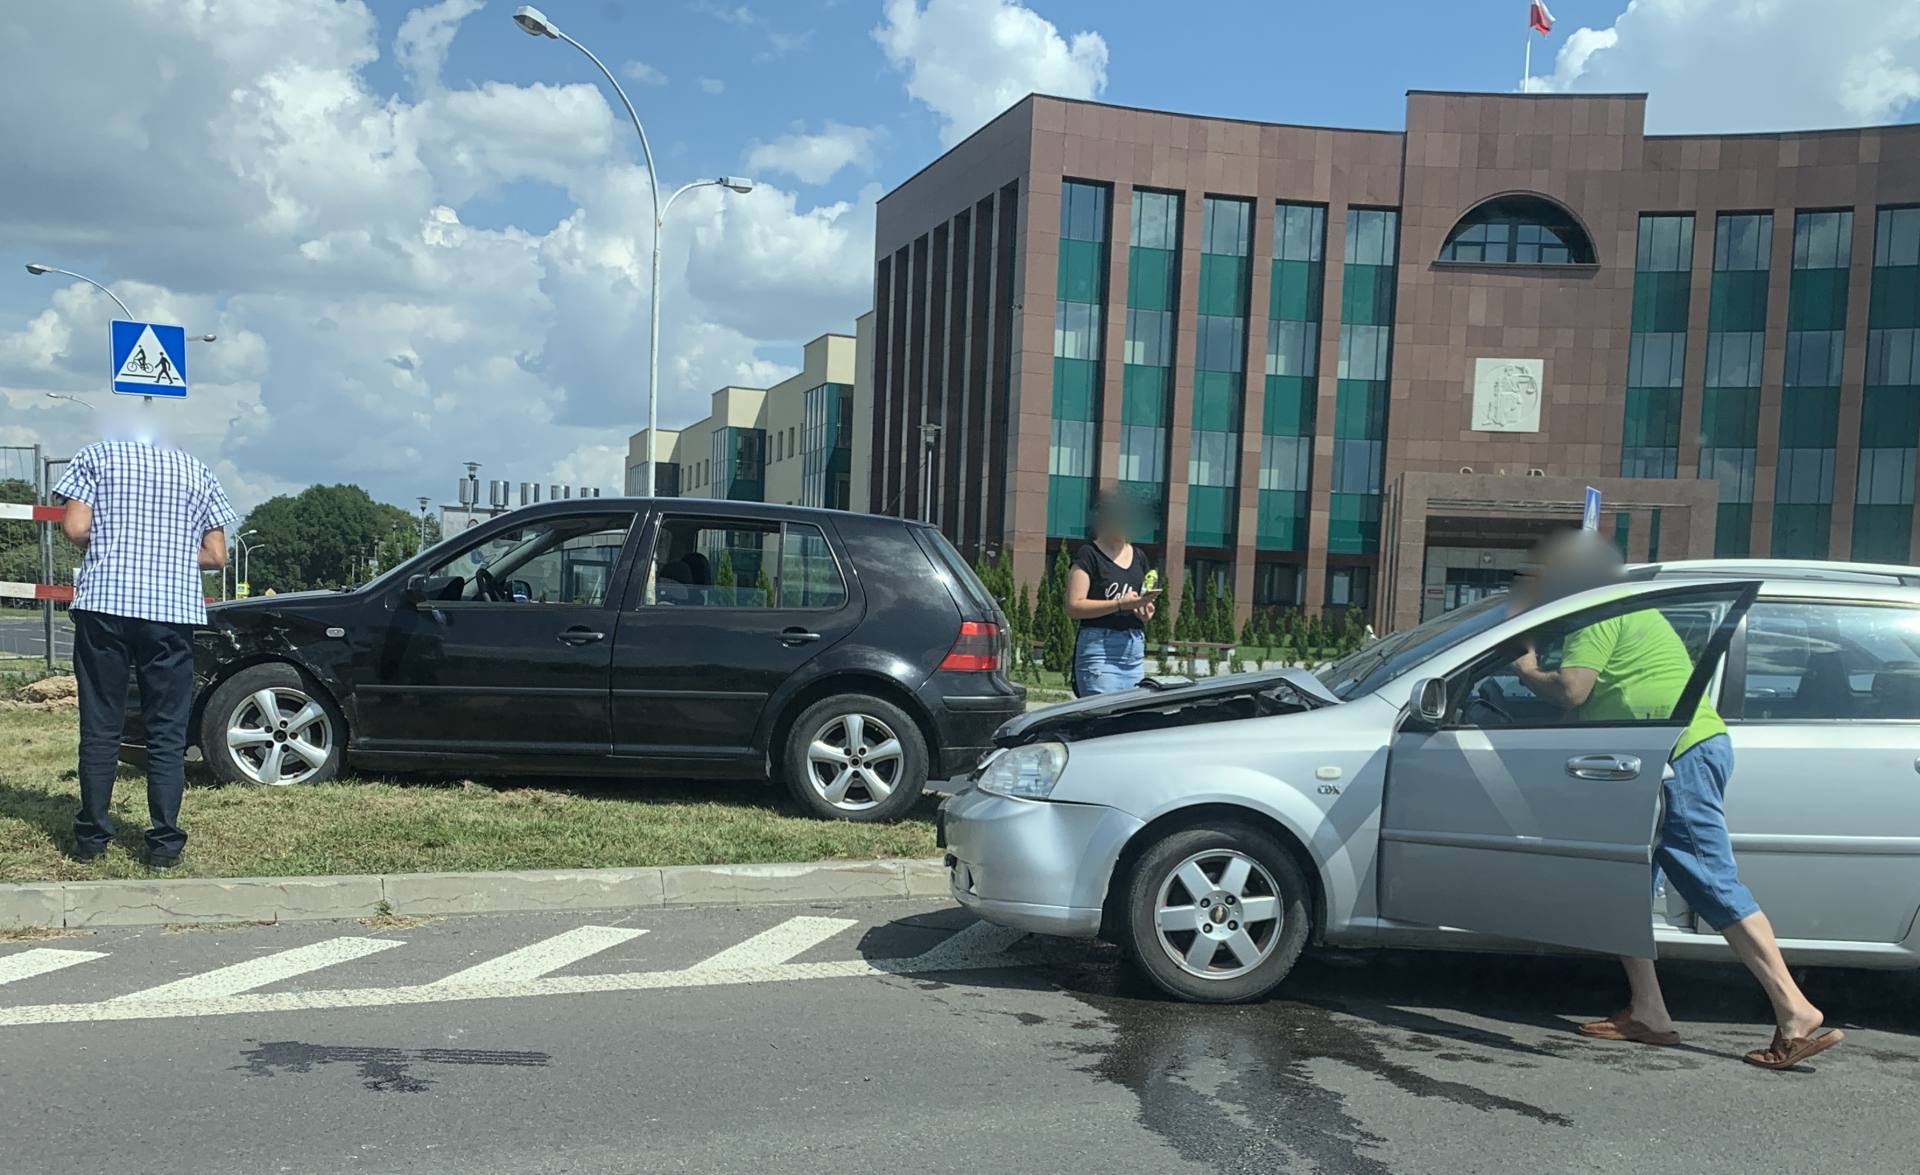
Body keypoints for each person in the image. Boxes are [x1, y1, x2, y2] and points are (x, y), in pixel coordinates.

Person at [1508, 531, 1841, 1070]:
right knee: (1624, 881)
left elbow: (1573, 691)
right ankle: (1649, 1011)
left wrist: (1524, 670)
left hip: (1672, 752)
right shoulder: (1619, 606)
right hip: (1660, 750)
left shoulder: (1596, 610)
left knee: (1708, 876)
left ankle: (1794, 1009)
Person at [55, 431, 235, 870]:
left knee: (100, 723)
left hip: (105, 603)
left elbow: (75, 528)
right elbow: (217, 555)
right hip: (171, 609)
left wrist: (116, 544)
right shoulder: (198, 470)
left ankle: (92, 838)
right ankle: (165, 844)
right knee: (167, 730)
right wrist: (169, 552)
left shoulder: (97, 455)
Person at [1064, 493, 1156, 695]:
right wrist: (1119, 604)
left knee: (1131, 715)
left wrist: (1145, 610)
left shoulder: (1139, 557)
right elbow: (1073, 606)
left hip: (1133, 648)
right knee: (1103, 714)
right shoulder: (1088, 555)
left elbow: (1143, 603)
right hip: (1099, 648)